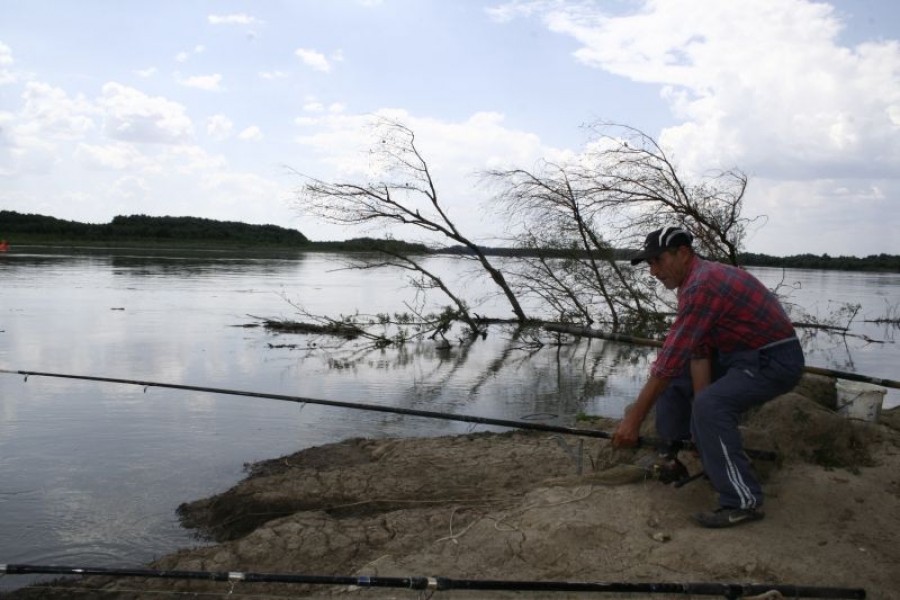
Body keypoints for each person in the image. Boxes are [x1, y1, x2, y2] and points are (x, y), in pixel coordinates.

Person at [612, 226, 804, 528]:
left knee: (709, 404)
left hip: (773, 359)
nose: (653, 271)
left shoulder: (703, 285)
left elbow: (667, 361)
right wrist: (701, 423)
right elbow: (697, 352)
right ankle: (673, 456)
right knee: (682, 386)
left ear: (684, 253)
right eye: (649, 264)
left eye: (658, 261)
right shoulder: (692, 282)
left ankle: (743, 501)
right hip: (737, 356)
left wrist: (633, 421)